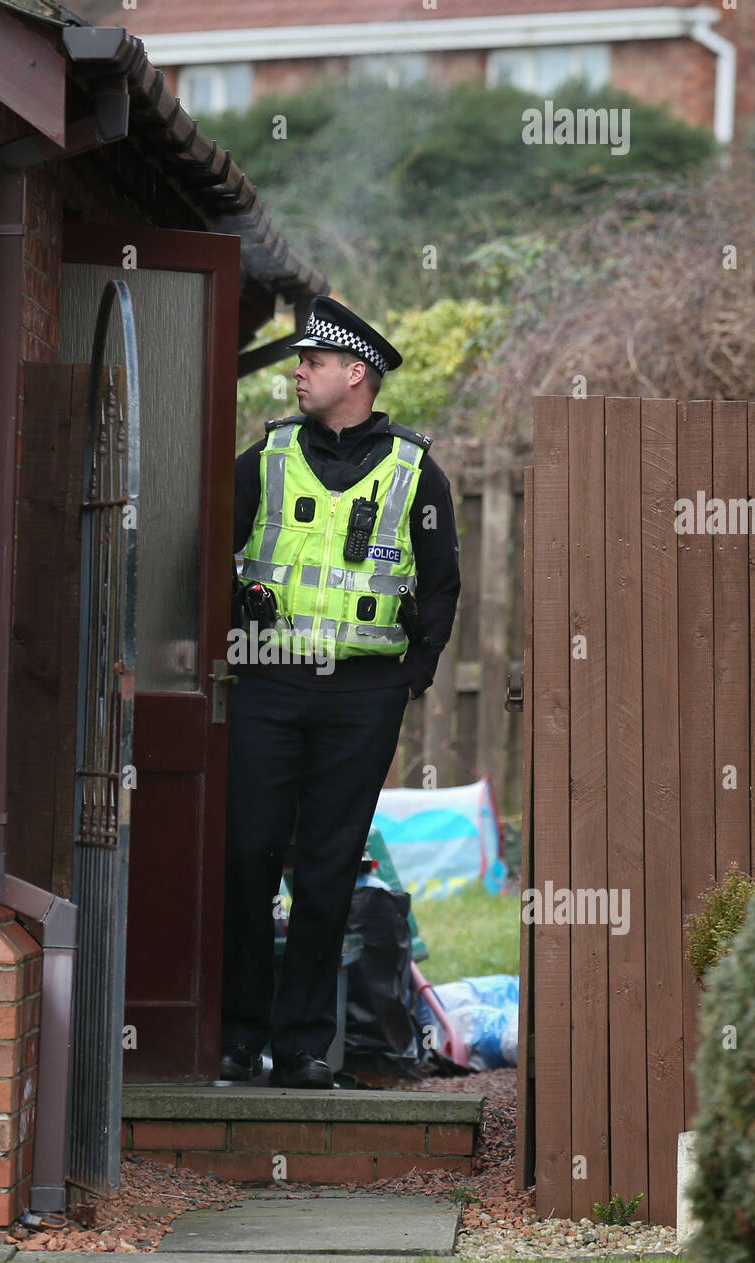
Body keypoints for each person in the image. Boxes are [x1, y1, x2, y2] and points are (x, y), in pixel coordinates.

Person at [220, 296, 461, 1088]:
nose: (298, 373)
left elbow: (440, 587)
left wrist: (406, 682)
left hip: (362, 697)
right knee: (248, 859)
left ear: (354, 374)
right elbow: (209, 555)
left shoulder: (415, 471)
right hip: (268, 684)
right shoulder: (264, 459)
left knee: (327, 872)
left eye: (312, 363)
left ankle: (299, 1048)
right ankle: (238, 1038)